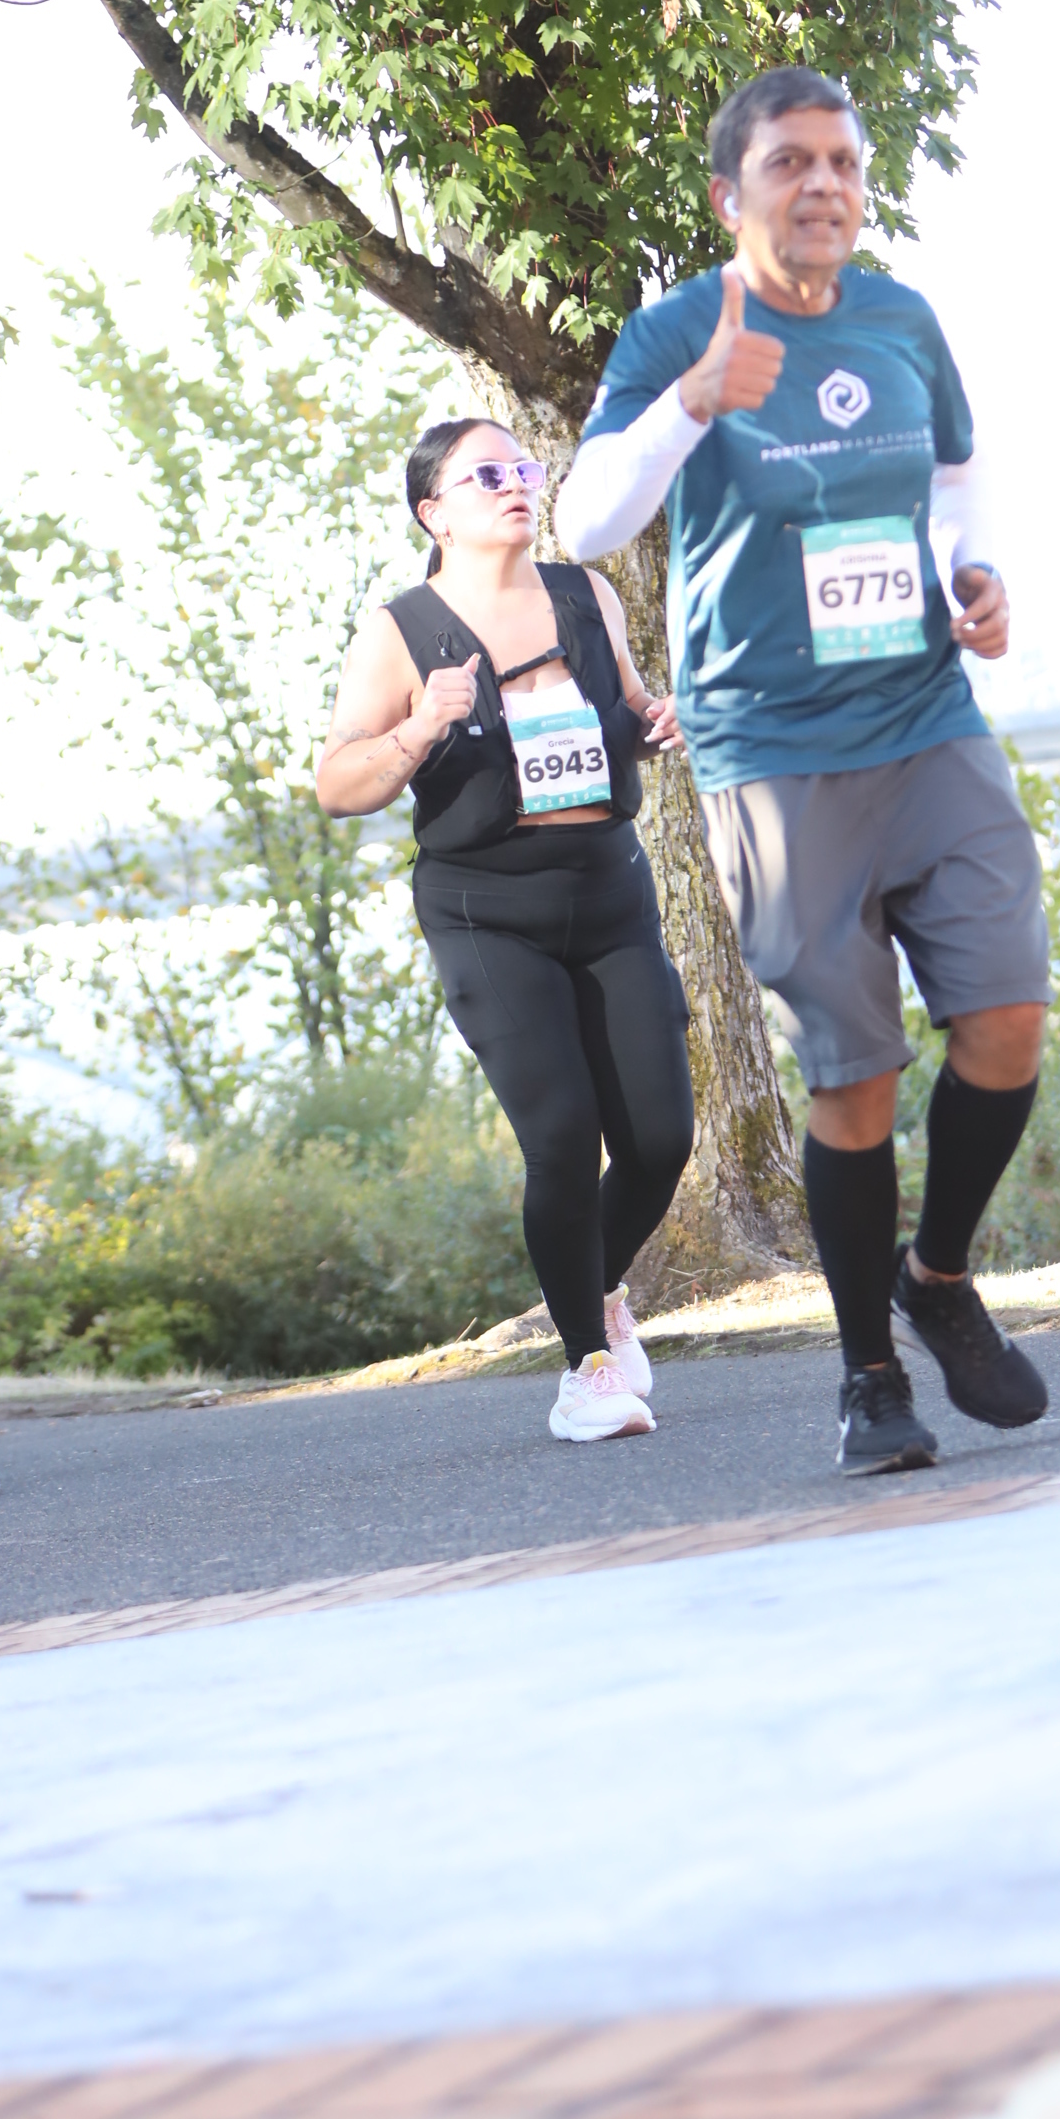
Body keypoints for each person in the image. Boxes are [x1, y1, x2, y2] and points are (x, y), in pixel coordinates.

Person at [557, 65, 1050, 1474]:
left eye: (841, 161)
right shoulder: (676, 333)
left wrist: (974, 573)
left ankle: (935, 1278)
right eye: (790, 163)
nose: (823, 184)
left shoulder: (900, 317)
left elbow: (954, 477)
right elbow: (586, 524)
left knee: (1007, 1018)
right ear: (733, 193)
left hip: (925, 713)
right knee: (858, 1077)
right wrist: (690, 404)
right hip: (772, 750)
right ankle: (868, 1378)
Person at [316, 419, 695, 1442]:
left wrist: (655, 723)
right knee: (562, 1138)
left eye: (523, 467)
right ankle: (586, 1371)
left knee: (661, 1139)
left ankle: (598, 1287)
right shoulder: (401, 630)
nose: (516, 484)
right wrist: (419, 726)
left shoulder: (585, 595)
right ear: (432, 512)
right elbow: (337, 783)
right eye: (486, 474)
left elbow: (625, 710)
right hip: (487, 909)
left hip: (609, 891)